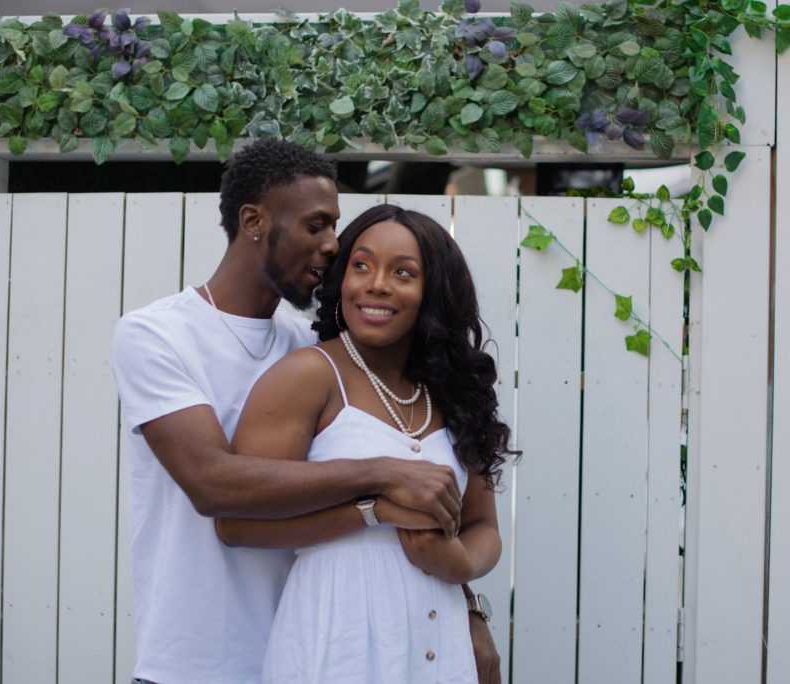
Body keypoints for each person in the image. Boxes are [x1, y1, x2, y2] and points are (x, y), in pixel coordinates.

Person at [111, 139, 500, 684]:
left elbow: (428, 509)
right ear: (254, 221)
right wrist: (385, 482)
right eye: (316, 226)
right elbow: (212, 483)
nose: (332, 246)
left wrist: (468, 609)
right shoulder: (158, 335)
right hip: (200, 656)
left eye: (335, 227)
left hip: (320, 642)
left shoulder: (315, 348)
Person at [215, 204, 517, 683]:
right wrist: (373, 510)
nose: (376, 284)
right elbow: (238, 524)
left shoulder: (455, 392)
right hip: (339, 643)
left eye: (403, 272)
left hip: (443, 648)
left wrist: (459, 564)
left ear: (433, 293)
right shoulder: (310, 375)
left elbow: (483, 527)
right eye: (361, 265)